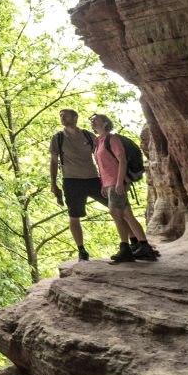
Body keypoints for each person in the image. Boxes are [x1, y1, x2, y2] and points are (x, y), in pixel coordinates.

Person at [90, 113, 159, 262]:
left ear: (105, 123)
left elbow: (122, 160)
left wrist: (120, 182)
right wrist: (103, 184)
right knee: (127, 214)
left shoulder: (112, 139)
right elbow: (102, 166)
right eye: (92, 121)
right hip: (109, 183)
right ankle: (144, 247)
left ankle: (125, 248)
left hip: (117, 182)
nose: (93, 122)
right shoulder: (98, 142)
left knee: (116, 213)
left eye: (96, 120)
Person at [48, 108, 105, 261]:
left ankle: (132, 242)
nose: (62, 118)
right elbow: (53, 161)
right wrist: (53, 183)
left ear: (75, 117)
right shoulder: (58, 138)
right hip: (71, 180)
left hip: (93, 179)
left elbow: (101, 156)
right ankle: (82, 250)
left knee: (116, 206)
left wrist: (108, 177)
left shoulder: (88, 135)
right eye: (60, 116)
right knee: (74, 216)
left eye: (65, 115)